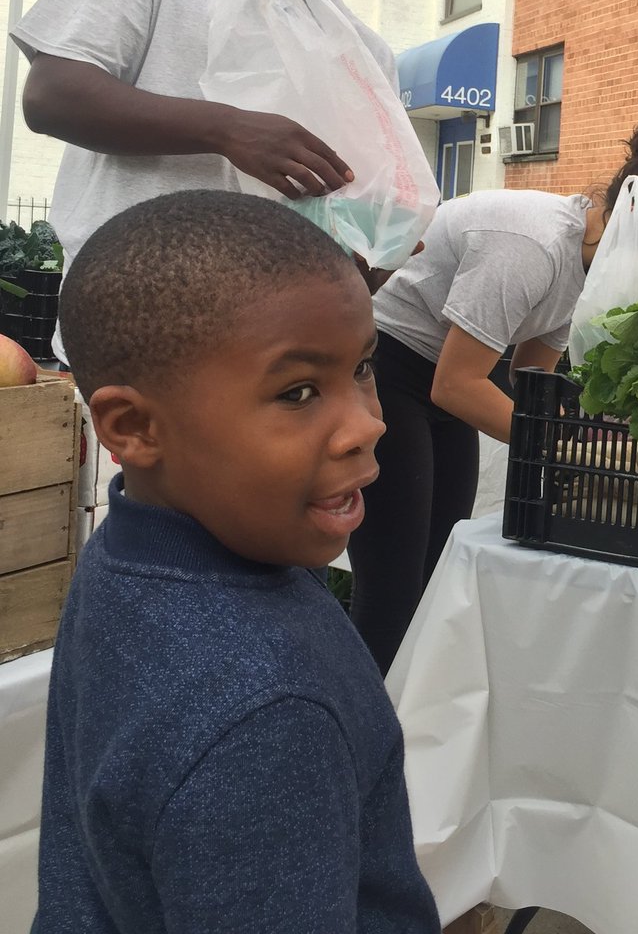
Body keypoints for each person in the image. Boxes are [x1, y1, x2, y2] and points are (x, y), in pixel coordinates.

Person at [35, 190, 439, 934]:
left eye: (364, 368)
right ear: (134, 428)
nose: (369, 423)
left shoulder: (130, 549)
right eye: (298, 392)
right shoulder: (266, 718)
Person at [11, 0, 405, 358]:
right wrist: (227, 130)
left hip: (278, 348)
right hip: (135, 327)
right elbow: (52, 95)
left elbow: (364, 220)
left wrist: (382, 245)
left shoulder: (367, 55)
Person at [351, 112, 638, 674]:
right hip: (393, 361)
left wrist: (584, 429)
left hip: (448, 371)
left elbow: (531, 382)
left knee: (443, 557)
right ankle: (360, 726)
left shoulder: (593, 265)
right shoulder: (532, 246)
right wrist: (573, 449)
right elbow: (458, 386)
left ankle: (412, 716)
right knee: (395, 576)